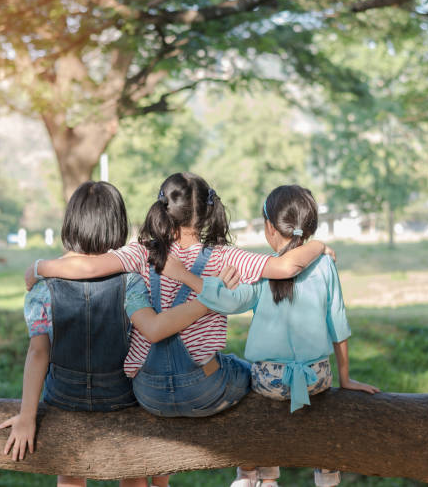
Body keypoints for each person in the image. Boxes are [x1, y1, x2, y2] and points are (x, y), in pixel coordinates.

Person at [25, 173, 334, 420]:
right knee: (245, 370)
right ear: (209, 212)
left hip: (148, 392)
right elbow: (286, 266)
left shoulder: (140, 252)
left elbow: (88, 267)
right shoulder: (226, 256)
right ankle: (255, 472)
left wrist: (40, 267)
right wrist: (318, 245)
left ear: (164, 209)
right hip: (205, 389)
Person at [163, 184, 380, 487]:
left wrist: (188, 277)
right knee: (321, 415)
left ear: (269, 227)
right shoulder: (325, 265)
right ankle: (328, 477)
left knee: (247, 387)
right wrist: (345, 378)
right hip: (316, 376)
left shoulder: (265, 268)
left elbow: (231, 302)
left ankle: (256, 475)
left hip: (270, 377)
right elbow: (338, 324)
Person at [1, 181, 201, 487]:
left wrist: (27, 416)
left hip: (64, 397)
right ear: (117, 226)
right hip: (120, 395)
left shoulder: (43, 287)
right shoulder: (131, 282)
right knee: (133, 474)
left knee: (69, 474)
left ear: (70, 224)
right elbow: (149, 333)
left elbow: (38, 353)